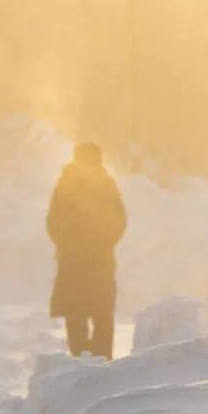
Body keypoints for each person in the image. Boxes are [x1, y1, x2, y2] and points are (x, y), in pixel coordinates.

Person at [46, 142, 127, 360]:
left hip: (96, 259)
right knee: (78, 314)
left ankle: (98, 361)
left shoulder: (105, 185)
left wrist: (105, 242)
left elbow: (119, 220)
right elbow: (53, 221)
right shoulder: (66, 185)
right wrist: (65, 242)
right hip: (77, 260)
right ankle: (83, 360)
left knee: (98, 314)